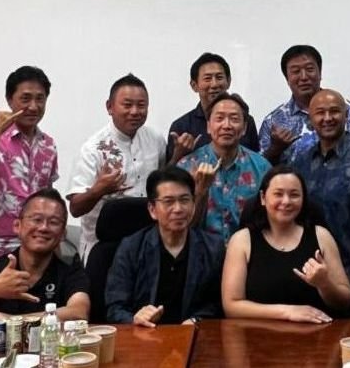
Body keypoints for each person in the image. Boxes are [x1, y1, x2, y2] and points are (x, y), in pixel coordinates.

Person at [222, 166, 350, 323]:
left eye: (294, 195)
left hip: (317, 336)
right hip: (257, 338)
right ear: (263, 198)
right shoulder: (242, 240)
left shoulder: (321, 235)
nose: (286, 201)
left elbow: (345, 302)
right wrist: (288, 312)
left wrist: (324, 284)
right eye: (278, 194)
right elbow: (231, 306)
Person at [105, 167, 225, 327]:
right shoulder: (131, 248)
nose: (178, 209)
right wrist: (134, 318)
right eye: (168, 201)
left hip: (194, 336)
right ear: (152, 210)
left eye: (184, 200)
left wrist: (197, 320)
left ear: (194, 205)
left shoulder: (213, 248)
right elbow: (115, 308)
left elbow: (218, 304)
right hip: (144, 337)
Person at [290, 89, 350, 283]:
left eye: (334, 111)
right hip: (306, 274)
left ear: (347, 115)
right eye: (320, 112)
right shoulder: (299, 164)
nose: (327, 118)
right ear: (310, 119)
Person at [67, 74, 166, 263]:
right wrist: (99, 190)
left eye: (141, 105)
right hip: (102, 248)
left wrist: (177, 156)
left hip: (145, 245)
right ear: (109, 107)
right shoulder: (92, 149)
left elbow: (160, 184)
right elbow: (75, 208)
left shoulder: (155, 139)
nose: (135, 111)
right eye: (127, 105)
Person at [0, 188, 90, 324]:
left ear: (63, 234)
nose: (43, 228)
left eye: (53, 222)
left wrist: (13, 321)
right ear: (17, 226)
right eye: (36, 219)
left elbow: (79, 313)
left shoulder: (71, 272)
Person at [0, 66, 59, 263]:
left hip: (37, 252)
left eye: (40, 99)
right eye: (25, 99)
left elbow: (49, 197)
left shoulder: (48, 145)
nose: (33, 106)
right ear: (10, 100)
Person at [259, 45, 350, 164]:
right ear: (287, 79)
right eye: (296, 71)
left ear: (320, 73)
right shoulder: (273, 121)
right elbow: (260, 172)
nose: (304, 77)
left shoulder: (349, 112)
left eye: (309, 69)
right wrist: (275, 150)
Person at [177, 93, 272, 241]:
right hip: (200, 254)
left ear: (245, 127)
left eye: (234, 119)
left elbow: (271, 222)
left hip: (248, 253)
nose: (226, 125)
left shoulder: (262, 168)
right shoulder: (186, 166)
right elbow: (179, 226)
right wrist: (200, 191)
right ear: (208, 126)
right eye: (219, 118)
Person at [164, 52, 260, 162]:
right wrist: (178, 154)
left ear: (228, 82)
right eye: (207, 78)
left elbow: (254, 161)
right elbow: (168, 176)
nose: (214, 84)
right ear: (194, 85)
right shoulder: (181, 126)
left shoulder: (244, 120)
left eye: (219, 77)